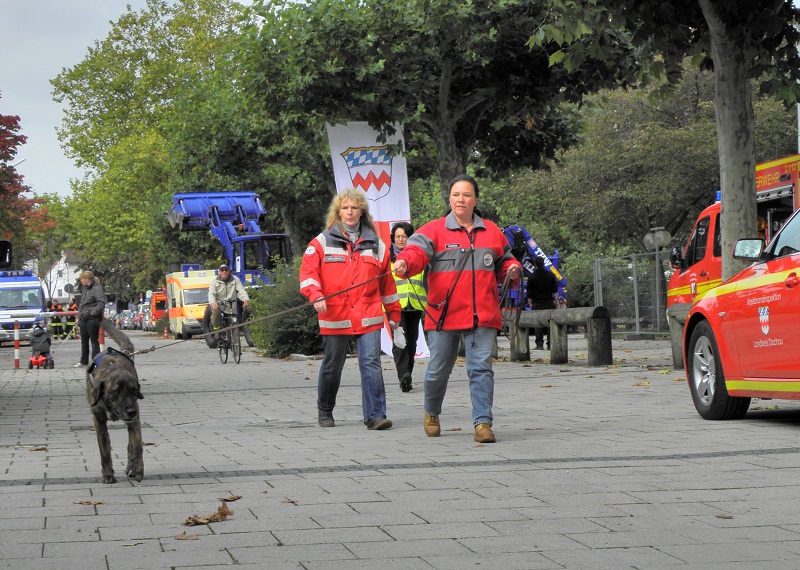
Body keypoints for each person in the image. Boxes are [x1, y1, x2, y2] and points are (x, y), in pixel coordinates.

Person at [394, 175, 522, 444]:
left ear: (475, 200)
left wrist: (512, 270)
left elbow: (506, 260)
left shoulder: (492, 231)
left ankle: (483, 424)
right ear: (449, 199)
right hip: (443, 315)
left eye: (466, 195)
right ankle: (431, 413)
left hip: (483, 314)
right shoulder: (433, 230)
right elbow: (415, 252)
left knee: (481, 369)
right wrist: (405, 263)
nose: (460, 199)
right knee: (438, 370)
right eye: (455, 195)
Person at [299, 188, 402, 430]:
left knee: (371, 363)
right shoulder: (321, 242)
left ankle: (376, 416)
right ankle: (325, 409)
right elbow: (308, 275)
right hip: (335, 315)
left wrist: (394, 315)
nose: (349, 212)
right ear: (338, 212)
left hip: (368, 314)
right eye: (345, 208)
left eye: (354, 208)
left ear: (362, 212)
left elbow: (387, 285)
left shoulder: (378, 246)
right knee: (333, 365)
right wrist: (316, 295)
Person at [390, 221, 427, 393]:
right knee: (400, 342)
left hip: (415, 305)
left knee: (412, 342)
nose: (400, 240)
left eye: (404, 236)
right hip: (395, 307)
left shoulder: (419, 257)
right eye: (397, 236)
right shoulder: (388, 259)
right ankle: (403, 375)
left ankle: (407, 376)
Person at [526, 256, 560, 350]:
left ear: (535, 264)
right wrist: (556, 302)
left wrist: (531, 303)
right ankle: (550, 344)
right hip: (548, 301)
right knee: (550, 323)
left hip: (537, 303)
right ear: (544, 263)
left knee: (538, 324)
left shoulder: (532, 277)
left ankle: (539, 344)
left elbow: (529, 293)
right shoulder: (550, 275)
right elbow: (555, 290)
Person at [75, 270, 107, 367]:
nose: (81, 281)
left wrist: (93, 313)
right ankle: (83, 361)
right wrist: (78, 316)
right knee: (84, 340)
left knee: (93, 340)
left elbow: (101, 302)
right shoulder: (85, 289)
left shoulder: (97, 289)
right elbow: (82, 304)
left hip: (93, 318)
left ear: (87, 279)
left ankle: (95, 361)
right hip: (83, 317)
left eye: (82, 279)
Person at [208, 264, 250, 332]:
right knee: (215, 312)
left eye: (226, 270)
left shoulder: (235, 279)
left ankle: (235, 340)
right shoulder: (214, 281)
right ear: (219, 272)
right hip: (219, 305)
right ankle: (217, 329)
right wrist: (213, 302)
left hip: (231, 306)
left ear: (229, 271)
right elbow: (211, 293)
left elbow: (241, 290)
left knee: (235, 325)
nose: (224, 272)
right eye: (222, 270)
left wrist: (246, 299)